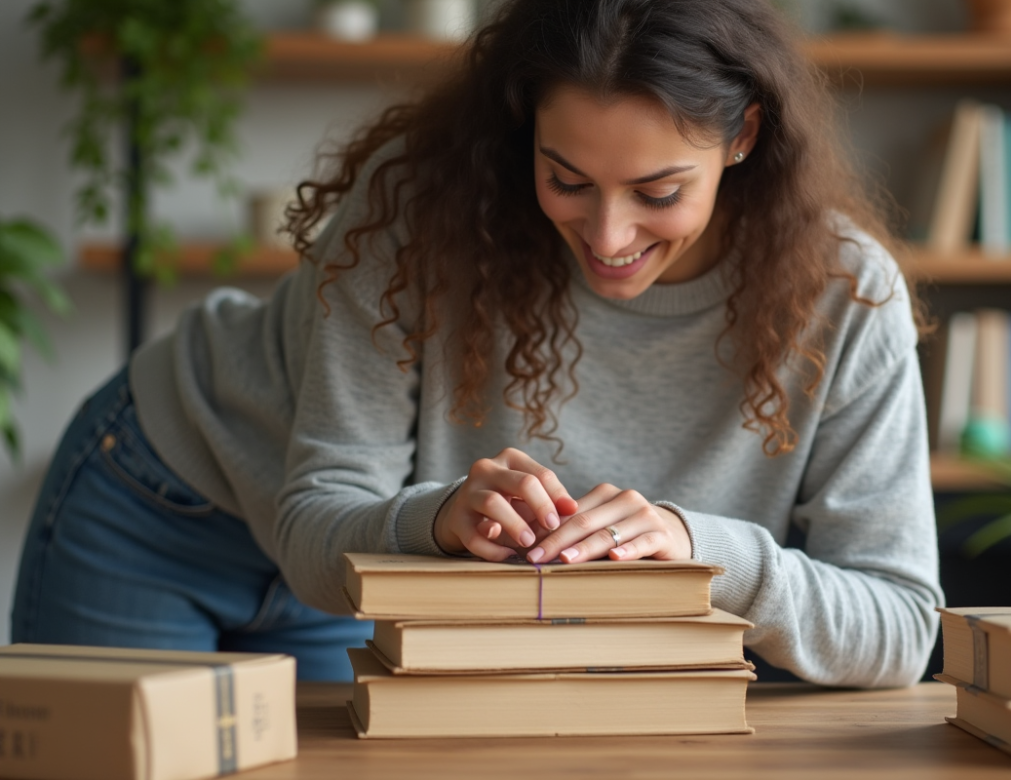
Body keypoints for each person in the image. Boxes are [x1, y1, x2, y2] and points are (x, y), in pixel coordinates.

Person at [12, 0, 943, 685]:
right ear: (523, 128)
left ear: (742, 136)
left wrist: (708, 553)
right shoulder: (420, 215)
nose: (610, 237)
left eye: (658, 192)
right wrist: (432, 517)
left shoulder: (847, 296)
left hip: (359, 575)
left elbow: (901, 629)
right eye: (565, 178)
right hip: (173, 497)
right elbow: (317, 516)